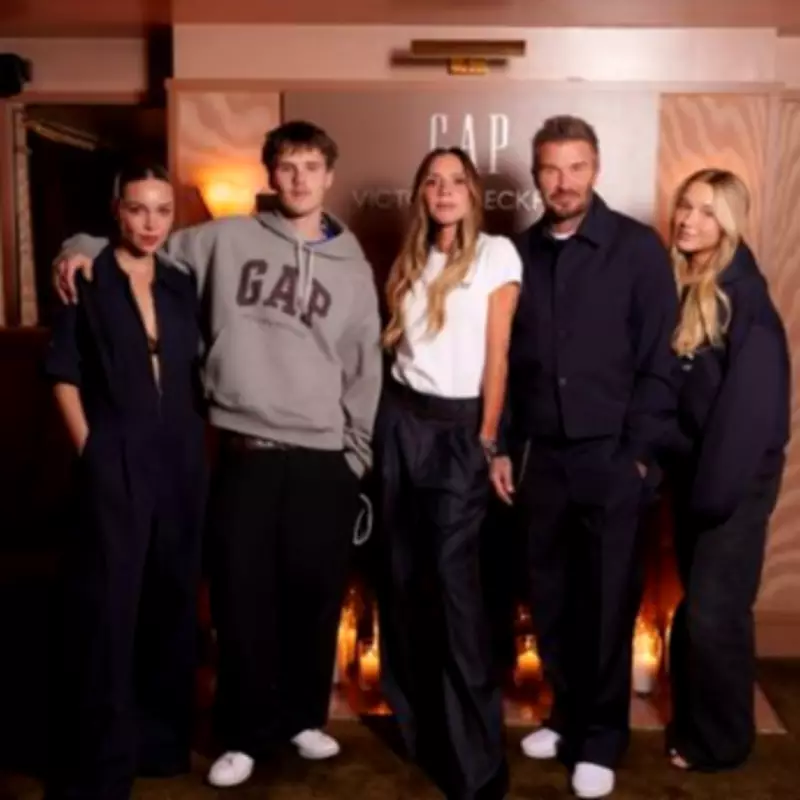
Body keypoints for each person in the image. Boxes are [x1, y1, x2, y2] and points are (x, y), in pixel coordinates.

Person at [52, 120, 383, 789]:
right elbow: (138, 245)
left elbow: (363, 363)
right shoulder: (224, 239)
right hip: (244, 447)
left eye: (311, 167)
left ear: (329, 176)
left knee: (314, 595)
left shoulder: (353, 267)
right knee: (240, 598)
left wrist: (355, 453)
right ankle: (243, 732)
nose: (298, 179)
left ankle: (302, 718)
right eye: (286, 166)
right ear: (270, 175)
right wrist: (78, 244)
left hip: (323, 454)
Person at [489, 115, 678, 799]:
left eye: (575, 167)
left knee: (605, 603)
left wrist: (636, 457)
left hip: (611, 458)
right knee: (550, 597)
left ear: (595, 168)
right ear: (535, 175)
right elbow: (504, 363)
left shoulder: (637, 249)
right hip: (540, 458)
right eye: (550, 169)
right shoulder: (517, 254)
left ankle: (601, 738)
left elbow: (660, 362)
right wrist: (503, 447)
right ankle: (567, 717)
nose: (562, 182)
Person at [44, 161, 207, 800]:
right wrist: (92, 451)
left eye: (162, 210)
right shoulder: (86, 276)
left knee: (172, 603)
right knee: (110, 611)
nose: (150, 223)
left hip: (182, 457)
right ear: (117, 210)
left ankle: (160, 748)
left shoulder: (180, 282)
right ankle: (102, 765)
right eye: (138, 209)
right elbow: (63, 374)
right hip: (115, 453)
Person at [377, 146, 521, 800]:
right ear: (421, 193)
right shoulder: (407, 260)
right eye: (432, 180)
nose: (443, 190)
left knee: (456, 594)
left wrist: (486, 440)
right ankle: (421, 734)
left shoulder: (496, 255)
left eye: (455, 180)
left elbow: (498, 357)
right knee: (403, 581)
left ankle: (476, 762)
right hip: (400, 424)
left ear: (472, 192)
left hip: (461, 430)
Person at [663, 168, 790, 772]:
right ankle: (694, 727)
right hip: (701, 479)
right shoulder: (691, 285)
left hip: (733, 485)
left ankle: (721, 744)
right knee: (701, 609)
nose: (689, 220)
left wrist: (710, 501)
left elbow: (747, 421)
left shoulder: (748, 302)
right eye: (685, 206)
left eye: (707, 212)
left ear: (730, 224)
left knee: (715, 614)